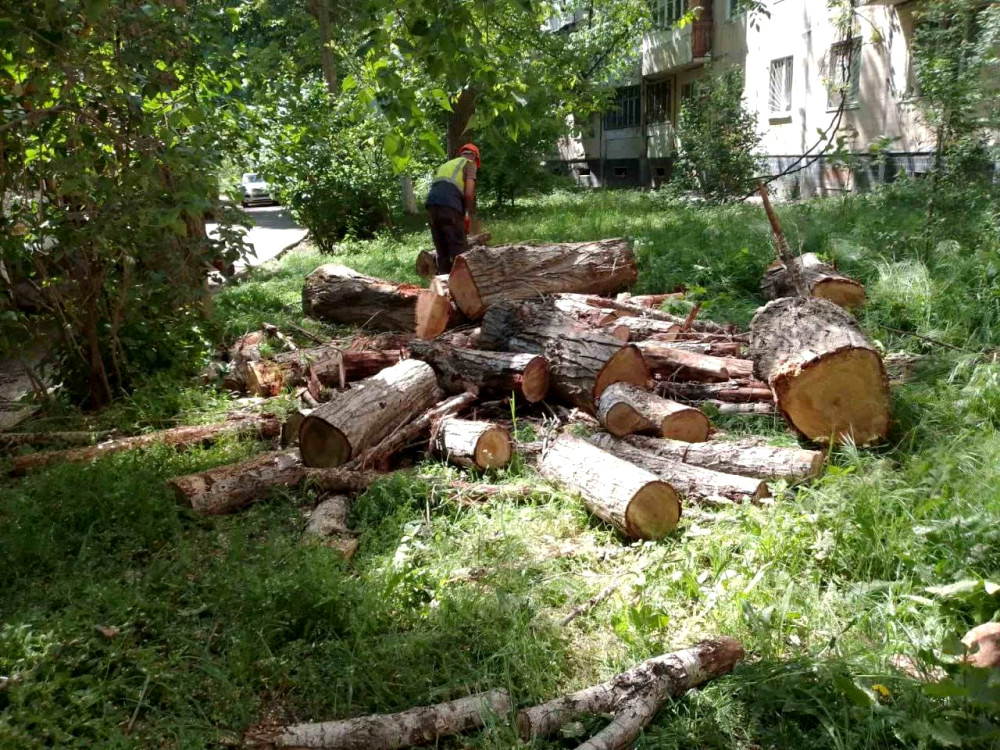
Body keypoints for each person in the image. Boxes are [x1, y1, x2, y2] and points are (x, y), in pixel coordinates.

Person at [425, 143, 479, 274]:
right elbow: (469, 193)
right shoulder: (470, 164)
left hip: (432, 204)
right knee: (459, 250)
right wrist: (466, 212)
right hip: (449, 204)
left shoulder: (447, 164)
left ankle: (443, 283)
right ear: (474, 157)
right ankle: (463, 283)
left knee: (441, 250)